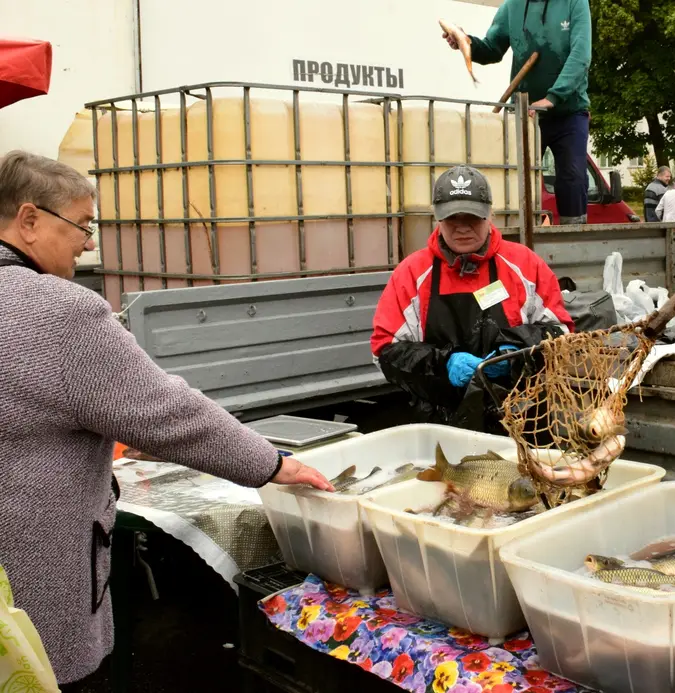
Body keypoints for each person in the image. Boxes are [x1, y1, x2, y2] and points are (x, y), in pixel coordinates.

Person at [0, 150, 335, 688]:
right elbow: (169, 413)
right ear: (29, 219)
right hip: (33, 586)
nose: (89, 244)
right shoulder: (60, 311)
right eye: (82, 225)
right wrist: (273, 464)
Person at [371, 165, 574, 432]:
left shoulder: (525, 264)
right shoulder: (412, 273)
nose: (463, 228)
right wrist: (444, 364)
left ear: (491, 215)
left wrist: (515, 353)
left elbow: (561, 333)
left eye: (473, 218)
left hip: (522, 422)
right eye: (453, 218)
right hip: (440, 424)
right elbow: (385, 351)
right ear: (437, 218)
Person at [444, 0, 592, 224]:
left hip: (569, 112)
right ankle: (516, 231)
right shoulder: (512, 6)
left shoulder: (575, 3)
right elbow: (492, 49)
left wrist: (552, 97)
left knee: (573, 177)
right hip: (526, 114)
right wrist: (466, 43)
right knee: (515, 179)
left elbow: (581, 55)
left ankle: (574, 235)